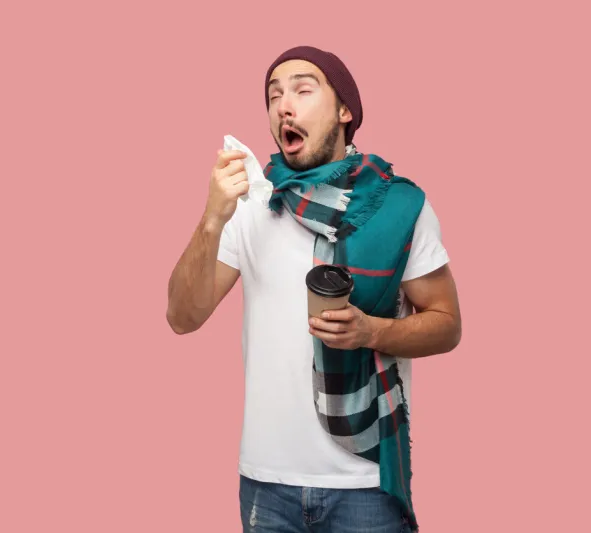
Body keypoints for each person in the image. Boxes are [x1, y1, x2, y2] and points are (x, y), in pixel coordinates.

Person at [166, 46, 462, 533]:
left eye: (303, 90)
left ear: (345, 110)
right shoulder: (251, 206)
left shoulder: (399, 205)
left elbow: (447, 326)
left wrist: (372, 330)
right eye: (274, 95)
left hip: (366, 483)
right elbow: (182, 316)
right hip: (266, 485)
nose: (285, 104)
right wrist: (212, 219)